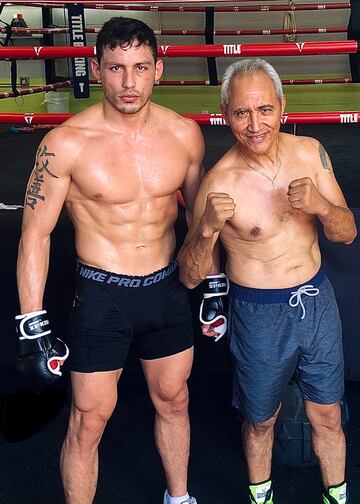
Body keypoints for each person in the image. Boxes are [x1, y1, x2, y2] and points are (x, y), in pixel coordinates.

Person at [16, 17, 204, 504]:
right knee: (87, 421)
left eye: (140, 67)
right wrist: (31, 322)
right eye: (117, 68)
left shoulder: (184, 137)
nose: (129, 82)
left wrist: (216, 284)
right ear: (97, 70)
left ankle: (178, 497)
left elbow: (200, 222)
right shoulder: (65, 144)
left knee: (175, 401)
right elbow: (35, 234)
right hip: (102, 297)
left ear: (158, 70)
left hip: (166, 291)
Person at [177, 58, 357, 504]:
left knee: (328, 415)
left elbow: (347, 232)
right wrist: (205, 230)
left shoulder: (310, 152)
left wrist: (320, 205)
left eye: (264, 110)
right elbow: (188, 275)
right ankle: (263, 498)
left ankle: (335, 497)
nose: (255, 124)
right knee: (260, 420)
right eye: (241, 112)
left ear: (281, 106)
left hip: (317, 303)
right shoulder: (219, 182)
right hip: (259, 312)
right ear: (225, 114)